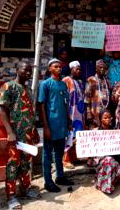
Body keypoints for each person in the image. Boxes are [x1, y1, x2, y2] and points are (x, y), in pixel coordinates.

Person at [0, 61, 40, 209]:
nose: (28, 73)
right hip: (15, 135)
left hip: (27, 134)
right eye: (25, 70)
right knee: (13, 164)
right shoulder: (8, 86)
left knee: (25, 163)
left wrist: (34, 132)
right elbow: (2, 112)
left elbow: (30, 112)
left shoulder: (28, 89)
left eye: (30, 70)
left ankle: (25, 189)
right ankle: (11, 196)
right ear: (17, 70)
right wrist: (9, 132)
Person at [38, 58, 74, 193]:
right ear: (50, 69)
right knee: (47, 154)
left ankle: (60, 176)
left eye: (60, 66)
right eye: (56, 66)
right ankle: (48, 181)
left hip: (62, 124)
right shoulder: (45, 84)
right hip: (50, 125)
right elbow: (41, 105)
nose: (59, 68)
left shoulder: (64, 85)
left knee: (59, 152)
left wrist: (69, 120)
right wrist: (45, 127)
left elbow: (66, 103)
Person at [87, 110, 120, 194]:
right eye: (105, 118)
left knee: (110, 160)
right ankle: (107, 186)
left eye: (109, 117)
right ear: (100, 119)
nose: (108, 119)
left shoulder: (115, 131)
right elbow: (89, 145)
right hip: (100, 161)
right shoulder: (95, 131)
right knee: (108, 160)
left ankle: (106, 183)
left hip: (114, 160)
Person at [62, 61, 85, 169]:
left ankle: (75, 157)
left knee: (78, 136)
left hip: (79, 114)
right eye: (76, 69)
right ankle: (66, 160)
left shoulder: (80, 82)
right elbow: (64, 98)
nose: (78, 71)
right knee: (69, 136)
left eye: (79, 69)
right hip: (70, 113)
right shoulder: (66, 80)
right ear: (71, 69)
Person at [84, 59, 111, 129]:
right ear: (96, 69)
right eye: (100, 67)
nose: (102, 69)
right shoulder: (91, 80)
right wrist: (88, 113)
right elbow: (87, 98)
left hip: (105, 115)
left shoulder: (107, 81)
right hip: (94, 113)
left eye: (104, 68)